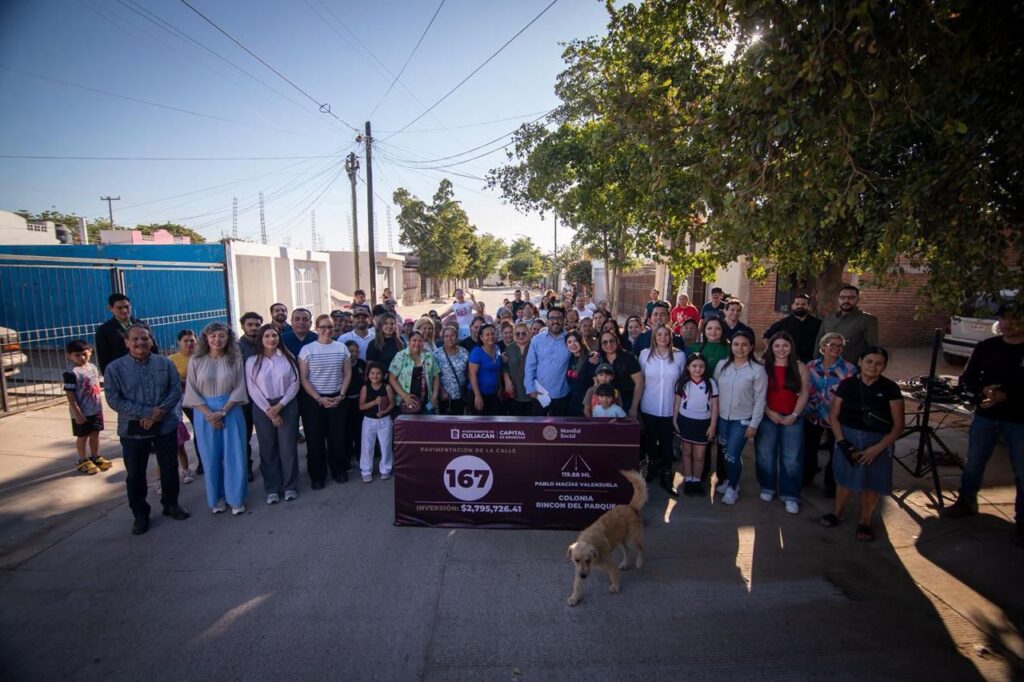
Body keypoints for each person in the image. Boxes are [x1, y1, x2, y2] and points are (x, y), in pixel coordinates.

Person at [943, 301, 1024, 544]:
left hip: (1019, 420)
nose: (1008, 323)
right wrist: (983, 391)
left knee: (1021, 471)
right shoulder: (987, 346)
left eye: (1014, 318)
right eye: (1004, 318)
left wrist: (1008, 395)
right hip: (986, 417)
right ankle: (966, 502)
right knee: (974, 462)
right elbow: (967, 379)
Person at [104, 324, 189, 535]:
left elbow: (175, 389)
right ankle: (140, 514)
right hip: (133, 429)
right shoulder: (114, 368)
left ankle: (171, 504)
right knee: (135, 474)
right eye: (135, 339)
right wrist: (145, 413)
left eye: (145, 338)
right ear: (126, 342)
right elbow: (114, 399)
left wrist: (160, 412)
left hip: (165, 424)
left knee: (169, 468)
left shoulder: (164, 363)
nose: (140, 343)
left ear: (151, 341)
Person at [820, 347, 904, 541]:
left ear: (884, 366)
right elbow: (834, 416)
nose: (873, 367)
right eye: (869, 361)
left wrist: (877, 449)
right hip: (848, 437)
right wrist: (842, 442)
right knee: (844, 480)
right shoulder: (847, 385)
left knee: (871, 483)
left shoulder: (890, 388)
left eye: (878, 363)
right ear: (860, 362)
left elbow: (898, 425)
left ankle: (864, 521)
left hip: (877, 441)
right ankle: (838, 513)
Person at [184, 321, 250, 516]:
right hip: (204, 413)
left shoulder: (235, 358)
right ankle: (217, 498)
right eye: (213, 336)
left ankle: (236, 499)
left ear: (228, 337)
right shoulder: (196, 360)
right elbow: (192, 390)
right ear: (206, 338)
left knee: (234, 455)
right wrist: (209, 414)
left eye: (221, 335)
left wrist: (223, 412)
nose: (217, 339)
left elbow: (240, 387)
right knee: (210, 457)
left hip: (231, 410)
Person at [755, 332, 810, 514]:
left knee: (791, 458)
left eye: (785, 346)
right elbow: (758, 393)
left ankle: (790, 494)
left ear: (791, 347)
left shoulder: (800, 367)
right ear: (771, 347)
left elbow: (803, 394)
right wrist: (768, 412)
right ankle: (767, 487)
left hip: (791, 417)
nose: (781, 350)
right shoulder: (763, 366)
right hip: (768, 416)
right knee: (765, 455)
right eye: (776, 346)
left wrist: (795, 414)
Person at [245, 324, 300, 504]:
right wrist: (270, 410)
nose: (271, 339)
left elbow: (295, 383)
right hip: (263, 408)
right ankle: (272, 488)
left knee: (287, 447)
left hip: (287, 405)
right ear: (261, 339)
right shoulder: (252, 362)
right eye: (267, 336)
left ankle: (290, 486)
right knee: (268, 448)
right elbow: (252, 388)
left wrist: (280, 406)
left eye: (274, 335)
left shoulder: (287, 357)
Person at [713, 330, 767, 505]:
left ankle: (732, 488)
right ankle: (731, 482)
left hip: (742, 420)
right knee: (726, 453)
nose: (740, 348)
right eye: (736, 344)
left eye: (744, 344)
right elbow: (714, 392)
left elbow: (760, 399)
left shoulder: (757, 370)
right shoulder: (722, 365)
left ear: (751, 347)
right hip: (722, 418)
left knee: (732, 455)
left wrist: (754, 424)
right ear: (731, 346)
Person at [299, 314, 352, 488]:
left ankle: (339, 470)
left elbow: (347, 374)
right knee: (315, 440)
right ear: (316, 328)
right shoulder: (307, 350)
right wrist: (319, 398)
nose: (327, 330)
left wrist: (341, 395)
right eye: (323, 327)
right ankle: (317, 476)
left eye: (330, 326)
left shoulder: (341, 348)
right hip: (315, 401)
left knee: (337, 438)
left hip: (337, 398)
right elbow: (304, 378)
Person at [803, 333, 857, 497]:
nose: (834, 348)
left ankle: (831, 484)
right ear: (823, 346)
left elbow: (851, 394)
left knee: (835, 453)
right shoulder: (811, 366)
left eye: (839, 346)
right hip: (812, 414)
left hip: (835, 418)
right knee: (808, 449)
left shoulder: (849, 369)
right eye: (831, 344)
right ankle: (806, 477)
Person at [639, 325, 686, 492]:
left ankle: (667, 473)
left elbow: (682, 382)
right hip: (649, 406)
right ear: (654, 337)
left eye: (666, 334)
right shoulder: (645, 355)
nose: (663, 337)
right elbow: (641, 380)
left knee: (667, 443)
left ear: (671, 337)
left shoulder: (679, 356)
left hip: (669, 407)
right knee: (651, 441)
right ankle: (652, 467)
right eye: (659, 334)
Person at [673, 353, 718, 497]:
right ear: (688, 367)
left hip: (703, 423)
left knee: (700, 455)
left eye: (701, 366)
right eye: (694, 366)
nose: (697, 369)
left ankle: (697, 481)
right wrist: (674, 420)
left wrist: (713, 425)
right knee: (686, 452)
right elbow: (677, 403)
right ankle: (689, 480)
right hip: (685, 422)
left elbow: (715, 406)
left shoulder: (711, 383)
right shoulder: (682, 383)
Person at [63, 340, 110, 475]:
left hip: (95, 409)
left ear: (90, 351)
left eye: (84, 354)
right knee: (82, 436)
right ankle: (82, 460)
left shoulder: (93, 368)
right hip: (81, 411)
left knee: (95, 433)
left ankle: (95, 456)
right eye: (77, 355)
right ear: (69, 356)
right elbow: (70, 395)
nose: (82, 358)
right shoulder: (71, 373)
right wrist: (77, 413)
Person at [524, 305, 572, 416]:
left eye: (559, 318)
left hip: (562, 393)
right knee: (537, 428)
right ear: (547, 321)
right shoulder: (537, 340)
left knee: (560, 429)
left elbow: (582, 353)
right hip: (540, 393)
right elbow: (530, 366)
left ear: (564, 320)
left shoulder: (570, 339)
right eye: (552, 318)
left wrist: (594, 356)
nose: (556, 321)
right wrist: (530, 388)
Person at [813, 285, 879, 364]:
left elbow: (872, 347)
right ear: (838, 299)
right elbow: (819, 341)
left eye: (851, 298)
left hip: (851, 368)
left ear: (857, 299)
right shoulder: (829, 317)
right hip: (826, 366)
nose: (846, 300)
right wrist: (816, 360)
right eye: (843, 297)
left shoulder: (867, 319)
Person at [95, 293, 159, 373]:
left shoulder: (142, 325)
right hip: (122, 372)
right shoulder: (104, 330)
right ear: (110, 308)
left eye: (126, 307)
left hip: (146, 368)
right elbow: (103, 357)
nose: (124, 310)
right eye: (119, 308)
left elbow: (153, 347)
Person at [169, 329, 201, 479]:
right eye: (185, 341)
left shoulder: (201, 357)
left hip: (198, 398)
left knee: (199, 428)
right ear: (179, 342)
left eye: (191, 340)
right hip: (178, 399)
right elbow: (170, 380)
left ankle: (202, 461)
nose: (189, 343)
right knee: (176, 431)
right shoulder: (172, 359)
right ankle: (183, 468)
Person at [358, 362, 395, 483]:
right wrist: (374, 402)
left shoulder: (387, 387)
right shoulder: (365, 388)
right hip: (369, 421)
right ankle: (366, 470)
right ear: (368, 375)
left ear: (383, 375)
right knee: (367, 446)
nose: (375, 376)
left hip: (384, 420)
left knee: (385, 445)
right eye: (372, 373)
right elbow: (362, 406)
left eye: (378, 373)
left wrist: (384, 412)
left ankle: (386, 469)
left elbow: (392, 404)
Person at [237, 311, 263, 482]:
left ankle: (268, 465)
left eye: (257, 325)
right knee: (244, 436)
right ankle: (246, 467)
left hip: (265, 398)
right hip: (245, 399)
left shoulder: (266, 343)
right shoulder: (236, 348)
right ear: (243, 326)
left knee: (265, 435)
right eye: (250, 325)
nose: (254, 328)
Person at [389, 330, 440, 415]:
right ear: (409, 342)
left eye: (420, 341)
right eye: (414, 340)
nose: (417, 343)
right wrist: (405, 396)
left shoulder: (429, 356)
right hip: (407, 402)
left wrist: (434, 396)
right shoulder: (400, 356)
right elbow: (392, 378)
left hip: (427, 401)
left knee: (428, 426)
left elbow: (436, 376)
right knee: (410, 427)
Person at [762, 293, 822, 363]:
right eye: (797, 304)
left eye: (803, 304)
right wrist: (771, 350)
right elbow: (766, 336)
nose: (800, 306)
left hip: (810, 361)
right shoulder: (783, 323)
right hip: (789, 361)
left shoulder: (817, 323)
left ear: (808, 306)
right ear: (792, 306)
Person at [597, 330, 643, 419]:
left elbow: (639, 383)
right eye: (605, 342)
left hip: (627, 403)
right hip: (604, 405)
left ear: (617, 341)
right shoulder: (599, 359)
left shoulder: (628, 357)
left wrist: (633, 407)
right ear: (600, 345)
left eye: (612, 340)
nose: (609, 344)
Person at [468, 324, 506, 416]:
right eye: (487, 334)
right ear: (481, 337)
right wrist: (477, 395)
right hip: (479, 394)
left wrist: (500, 387)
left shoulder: (497, 348)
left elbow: (497, 370)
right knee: (481, 427)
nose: (491, 337)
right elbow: (472, 374)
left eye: (492, 334)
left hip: (494, 394)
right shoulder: (477, 352)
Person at [435, 325, 469, 415]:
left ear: (457, 337)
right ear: (443, 338)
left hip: (460, 395)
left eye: (452, 335)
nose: (449, 338)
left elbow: (468, 372)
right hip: (445, 397)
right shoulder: (437, 354)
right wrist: (441, 390)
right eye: (446, 336)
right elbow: (434, 376)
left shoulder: (464, 352)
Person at [503, 322, 534, 416]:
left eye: (524, 333)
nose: (521, 336)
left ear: (529, 333)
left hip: (533, 393)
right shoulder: (509, 349)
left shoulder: (535, 347)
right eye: (518, 333)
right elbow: (504, 366)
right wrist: (507, 380)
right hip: (515, 392)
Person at [565, 330, 596, 417]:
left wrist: (588, 405)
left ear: (581, 341)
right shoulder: (570, 358)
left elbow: (596, 384)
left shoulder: (590, 358)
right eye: (569, 342)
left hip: (587, 404)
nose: (573, 344)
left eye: (575, 341)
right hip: (572, 402)